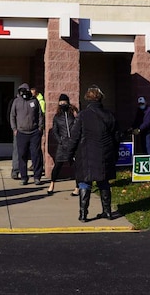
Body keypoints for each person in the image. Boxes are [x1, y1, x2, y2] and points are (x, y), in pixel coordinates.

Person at [68, 85, 120, 221]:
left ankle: (83, 214)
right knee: (104, 182)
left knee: (85, 182)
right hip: (105, 153)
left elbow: (74, 137)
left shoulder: (83, 115)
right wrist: (115, 154)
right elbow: (116, 137)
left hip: (86, 153)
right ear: (100, 98)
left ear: (87, 99)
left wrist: (69, 154)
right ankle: (107, 212)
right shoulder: (109, 115)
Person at [10, 83, 45, 185]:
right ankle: (24, 177)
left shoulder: (34, 101)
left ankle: (37, 177)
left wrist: (40, 127)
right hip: (21, 133)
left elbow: (40, 115)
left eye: (26, 90)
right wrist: (14, 129)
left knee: (36, 155)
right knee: (22, 155)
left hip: (34, 132)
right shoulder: (16, 102)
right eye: (22, 91)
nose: (24, 92)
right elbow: (12, 116)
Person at [47, 94, 76, 195]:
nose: (63, 104)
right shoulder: (57, 117)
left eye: (65, 102)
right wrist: (60, 140)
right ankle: (52, 184)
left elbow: (78, 126)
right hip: (62, 144)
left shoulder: (73, 113)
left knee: (75, 165)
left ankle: (77, 187)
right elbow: (55, 131)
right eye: (61, 102)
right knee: (58, 165)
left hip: (73, 143)